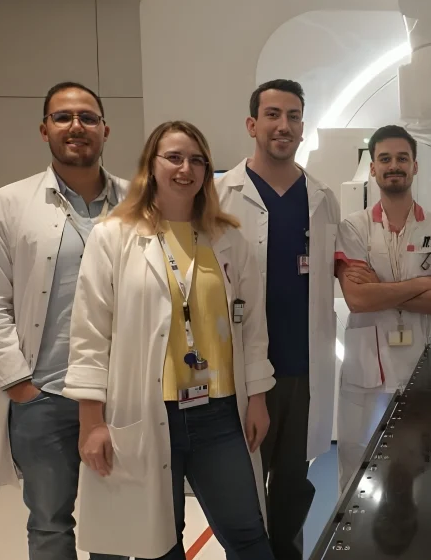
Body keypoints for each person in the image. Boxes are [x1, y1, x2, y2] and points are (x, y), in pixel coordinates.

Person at [64, 121, 275, 560]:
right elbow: (89, 335)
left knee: (248, 535)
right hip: (146, 410)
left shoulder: (228, 239)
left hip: (219, 413)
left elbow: (253, 327)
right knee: (159, 544)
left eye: (197, 160)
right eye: (174, 158)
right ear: (151, 165)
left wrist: (257, 398)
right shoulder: (113, 236)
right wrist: (91, 422)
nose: (186, 169)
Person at [0, 82, 128, 560]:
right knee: (49, 524)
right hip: (44, 394)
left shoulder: (137, 202)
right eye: (63, 117)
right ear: (44, 129)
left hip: (121, 393)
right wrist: (18, 385)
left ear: (105, 129)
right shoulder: (8, 203)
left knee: (117, 525)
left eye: (88, 117)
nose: (76, 126)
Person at [217, 79, 340, 559]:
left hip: (302, 371)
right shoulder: (220, 195)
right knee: (242, 488)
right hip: (241, 371)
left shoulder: (322, 198)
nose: (283, 125)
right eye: (272, 115)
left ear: (303, 127)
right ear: (252, 124)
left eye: (293, 116)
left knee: (292, 486)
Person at [334, 124, 431, 489]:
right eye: (384, 159)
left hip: (417, 370)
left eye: (401, 158)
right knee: (357, 475)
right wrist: (423, 283)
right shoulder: (353, 228)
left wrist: (379, 287)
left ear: (415, 166)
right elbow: (357, 300)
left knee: (412, 472)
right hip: (365, 373)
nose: (393, 166)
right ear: (372, 168)